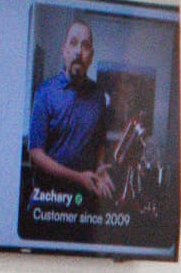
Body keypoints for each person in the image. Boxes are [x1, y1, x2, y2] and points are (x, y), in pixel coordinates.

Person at [24, 20, 115, 206]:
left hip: (84, 201)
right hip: (49, 201)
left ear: (91, 55)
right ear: (64, 50)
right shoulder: (45, 93)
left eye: (85, 46)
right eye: (73, 43)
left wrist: (100, 168)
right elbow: (36, 154)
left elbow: (99, 143)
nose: (78, 51)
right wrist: (77, 177)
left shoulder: (99, 96)